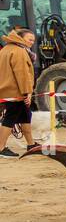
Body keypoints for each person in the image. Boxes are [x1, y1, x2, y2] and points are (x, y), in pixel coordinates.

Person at [0, 27, 37, 157]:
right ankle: (1, 148)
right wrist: (27, 93)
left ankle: (31, 144)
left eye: (33, 40)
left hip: (7, 90)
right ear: (20, 38)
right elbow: (22, 74)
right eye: (30, 39)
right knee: (10, 118)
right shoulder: (19, 51)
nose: (32, 42)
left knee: (25, 117)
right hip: (15, 92)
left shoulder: (5, 49)